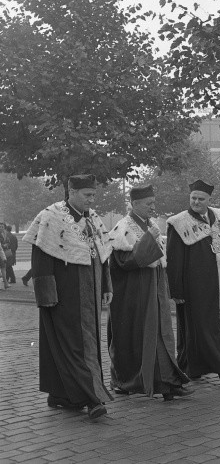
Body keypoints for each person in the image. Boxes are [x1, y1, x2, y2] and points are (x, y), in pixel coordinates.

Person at [22, 174, 113, 420]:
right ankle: (92, 399)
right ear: (71, 191)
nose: (91, 200)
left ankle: (61, 395)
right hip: (64, 295)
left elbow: (102, 255)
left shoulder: (93, 219)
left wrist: (106, 286)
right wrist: (46, 295)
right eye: (87, 195)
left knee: (84, 346)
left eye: (93, 195)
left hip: (90, 296)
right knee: (74, 347)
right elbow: (41, 258)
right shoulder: (51, 216)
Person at [108, 184, 191, 401]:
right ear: (134, 204)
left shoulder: (150, 224)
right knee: (139, 337)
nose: (153, 207)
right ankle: (129, 381)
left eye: (154, 203)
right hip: (135, 292)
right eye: (148, 204)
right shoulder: (123, 227)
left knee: (162, 333)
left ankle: (168, 381)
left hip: (155, 286)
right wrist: (149, 239)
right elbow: (125, 261)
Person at [166, 180, 220, 387]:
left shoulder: (219, 217)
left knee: (196, 327)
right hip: (193, 284)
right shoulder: (179, 222)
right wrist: (176, 289)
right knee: (207, 327)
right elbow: (174, 259)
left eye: (201, 199)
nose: (196, 202)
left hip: (216, 282)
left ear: (209, 200)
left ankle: (190, 368)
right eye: (193, 198)